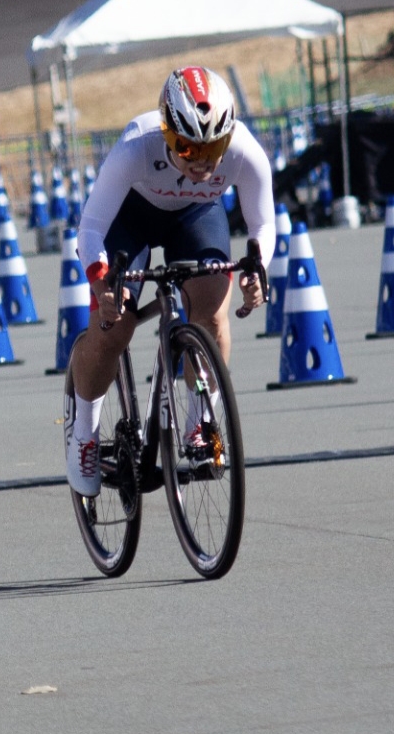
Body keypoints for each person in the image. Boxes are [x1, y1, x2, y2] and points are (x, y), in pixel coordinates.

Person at [64, 66, 275, 497]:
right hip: (130, 218)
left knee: (213, 309)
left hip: (196, 218)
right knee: (114, 326)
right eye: (186, 147)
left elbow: (263, 225)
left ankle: (201, 420)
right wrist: (103, 284)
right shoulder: (136, 146)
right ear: (165, 132)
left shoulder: (245, 153)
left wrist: (258, 270)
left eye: (213, 147)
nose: (202, 161)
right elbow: (88, 230)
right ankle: (83, 431)